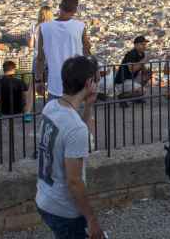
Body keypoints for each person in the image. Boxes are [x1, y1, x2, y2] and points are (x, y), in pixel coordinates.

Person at [35, 56, 106, 239]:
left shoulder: (51, 107)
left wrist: (88, 106)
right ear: (89, 82)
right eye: (96, 79)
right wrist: (91, 219)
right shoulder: (75, 127)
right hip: (64, 209)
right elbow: (74, 181)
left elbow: (81, 136)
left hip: (44, 197)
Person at [36, 0, 91, 100]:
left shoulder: (44, 28)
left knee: (54, 114)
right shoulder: (80, 27)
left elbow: (40, 58)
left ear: (60, 6)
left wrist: (38, 80)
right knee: (75, 115)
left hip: (54, 83)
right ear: (75, 10)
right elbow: (87, 52)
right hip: (76, 82)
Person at [25, 5, 53, 121]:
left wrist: (29, 39)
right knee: (52, 84)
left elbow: (30, 45)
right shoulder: (53, 26)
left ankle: (27, 113)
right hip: (50, 59)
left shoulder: (34, 26)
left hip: (37, 59)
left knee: (32, 86)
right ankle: (52, 112)